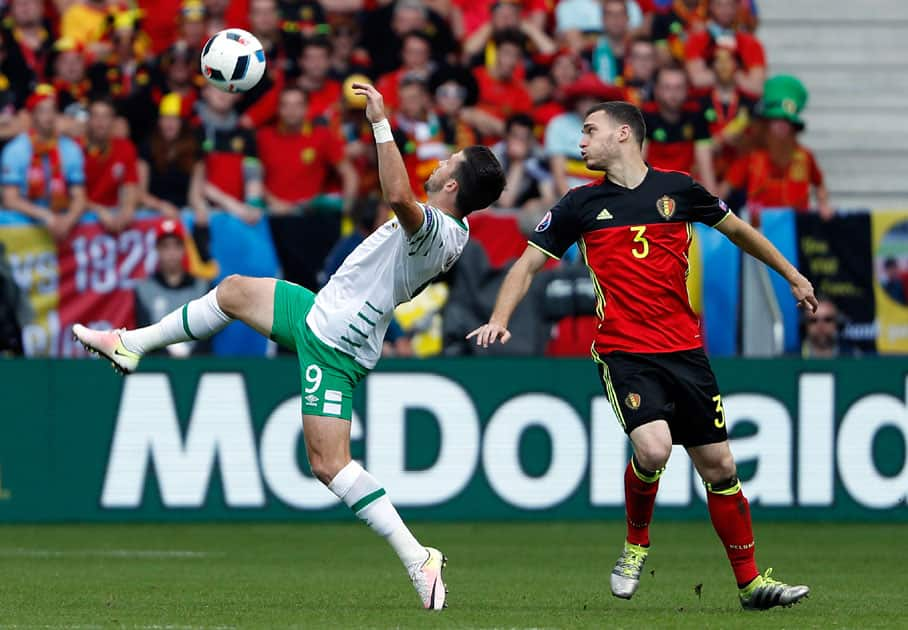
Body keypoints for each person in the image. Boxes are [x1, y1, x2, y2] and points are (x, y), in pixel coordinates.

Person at [73, 82, 506, 611]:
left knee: (328, 465)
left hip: (336, 345)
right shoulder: (445, 227)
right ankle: (130, 344)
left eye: (448, 161)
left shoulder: (439, 229)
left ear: (454, 183)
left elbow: (395, 196)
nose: (437, 163)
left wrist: (379, 121)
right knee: (232, 290)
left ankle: (419, 557)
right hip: (320, 312)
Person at [468, 100, 813, 610]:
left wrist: (792, 275)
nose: (579, 142)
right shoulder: (577, 205)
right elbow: (523, 267)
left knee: (720, 468)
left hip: (686, 351)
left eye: (589, 131)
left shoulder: (679, 190)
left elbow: (740, 232)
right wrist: (500, 318)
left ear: (623, 134)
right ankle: (635, 544)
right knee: (652, 449)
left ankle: (750, 585)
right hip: (625, 350)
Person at [721, 75, 833, 220]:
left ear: (793, 127)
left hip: (795, 228)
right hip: (760, 232)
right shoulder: (752, 157)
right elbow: (724, 190)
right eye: (776, 120)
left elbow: (819, 184)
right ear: (766, 124)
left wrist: (823, 204)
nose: (782, 125)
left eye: (787, 121)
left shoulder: (805, 156)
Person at [1, 84, 86, 241]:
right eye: (42, 111)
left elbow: (79, 195)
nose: (49, 116)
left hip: (62, 224)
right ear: (32, 115)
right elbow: (10, 199)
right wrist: (45, 216)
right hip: (22, 228)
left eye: (52, 110)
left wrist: (68, 220)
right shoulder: (16, 149)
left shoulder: (70, 148)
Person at [256, 86, 357, 215]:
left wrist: (346, 208)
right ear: (278, 109)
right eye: (285, 105)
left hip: (310, 216)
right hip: (272, 214)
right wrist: (274, 203)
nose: (291, 110)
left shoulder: (322, 136)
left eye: (298, 105)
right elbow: (252, 179)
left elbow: (349, 174)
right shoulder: (263, 137)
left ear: (307, 108)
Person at [134, 218, 211, 358]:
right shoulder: (144, 289)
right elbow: (145, 333)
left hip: (198, 364)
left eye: (176, 246)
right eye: (165, 246)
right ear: (157, 249)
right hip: (158, 367)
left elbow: (208, 332)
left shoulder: (202, 287)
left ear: (184, 249)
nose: (171, 253)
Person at [643, 65, 717, 193]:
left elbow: (706, 169)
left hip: (685, 191)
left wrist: (716, 207)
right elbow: (637, 166)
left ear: (688, 90)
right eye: (667, 87)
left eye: (679, 87)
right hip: (650, 190)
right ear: (656, 90)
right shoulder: (643, 117)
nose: (673, 94)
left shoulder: (697, 117)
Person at [83, 97, 140, 234]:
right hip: (82, 218)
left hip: (113, 216)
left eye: (106, 117)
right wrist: (98, 211)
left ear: (113, 121)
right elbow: (68, 195)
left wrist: (127, 209)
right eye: (95, 116)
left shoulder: (125, 148)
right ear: (88, 121)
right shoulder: (74, 148)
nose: (100, 123)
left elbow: (130, 186)